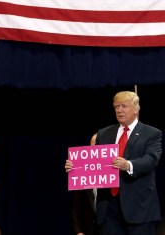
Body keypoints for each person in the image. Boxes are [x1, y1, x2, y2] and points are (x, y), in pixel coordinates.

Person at [66, 91, 162, 235]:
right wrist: (77, 167)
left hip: (139, 209)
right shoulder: (104, 133)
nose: (119, 110)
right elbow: (94, 162)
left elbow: (152, 159)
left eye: (124, 106)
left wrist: (128, 165)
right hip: (109, 210)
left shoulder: (152, 133)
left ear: (136, 109)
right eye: (116, 107)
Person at [68, 133, 98, 235]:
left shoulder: (114, 170)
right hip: (88, 229)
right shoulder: (81, 171)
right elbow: (75, 206)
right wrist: (78, 231)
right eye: (92, 146)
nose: (95, 150)